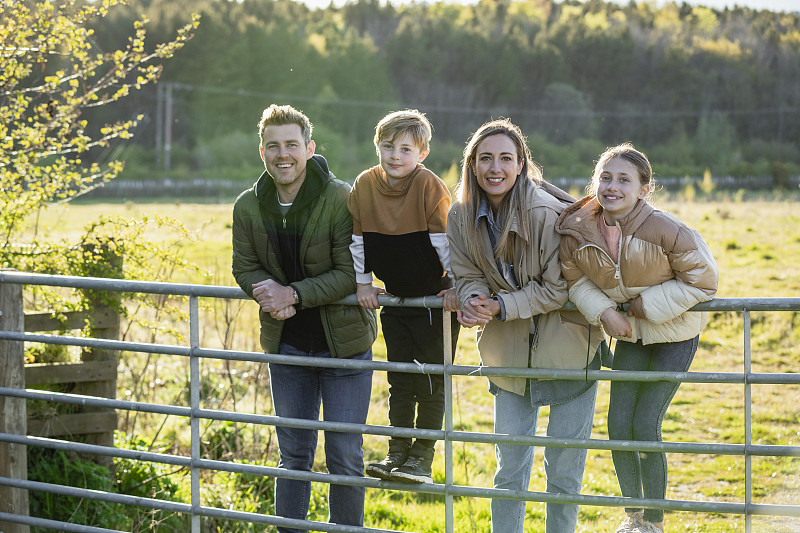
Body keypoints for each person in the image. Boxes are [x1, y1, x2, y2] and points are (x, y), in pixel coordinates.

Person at [446, 118, 603, 532]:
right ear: (472, 165)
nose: (494, 168)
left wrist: (498, 305)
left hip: (571, 351)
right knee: (509, 471)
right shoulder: (461, 213)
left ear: (520, 164)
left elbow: (557, 289)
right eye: (485, 158)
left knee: (563, 476)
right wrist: (473, 300)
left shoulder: (545, 214)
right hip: (509, 354)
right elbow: (465, 272)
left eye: (504, 158)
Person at [555, 143, 719, 533]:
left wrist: (646, 305)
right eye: (605, 177)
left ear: (644, 188)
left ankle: (655, 522)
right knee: (618, 424)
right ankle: (633, 516)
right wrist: (605, 312)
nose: (612, 186)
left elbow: (705, 280)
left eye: (624, 180)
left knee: (645, 422)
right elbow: (574, 278)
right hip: (628, 335)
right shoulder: (577, 229)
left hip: (673, 335)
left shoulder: (668, 229)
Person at [231, 104, 377, 533]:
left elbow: (348, 271)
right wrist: (269, 296)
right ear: (262, 152)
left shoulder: (339, 198)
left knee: (345, 455)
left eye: (292, 145)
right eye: (273, 146)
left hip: (345, 346)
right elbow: (244, 266)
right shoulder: (247, 207)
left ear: (309, 148)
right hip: (288, 345)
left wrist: (291, 293)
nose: (283, 155)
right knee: (293, 454)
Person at [348, 109, 459, 484]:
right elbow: (359, 240)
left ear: (422, 153)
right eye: (387, 146)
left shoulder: (429, 186)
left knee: (429, 379)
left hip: (432, 296)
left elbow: (446, 244)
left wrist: (457, 284)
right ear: (376, 146)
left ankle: (421, 458)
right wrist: (364, 284)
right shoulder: (364, 185)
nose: (395, 156)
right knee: (400, 378)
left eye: (405, 149)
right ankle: (396, 452)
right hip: (394, 297)